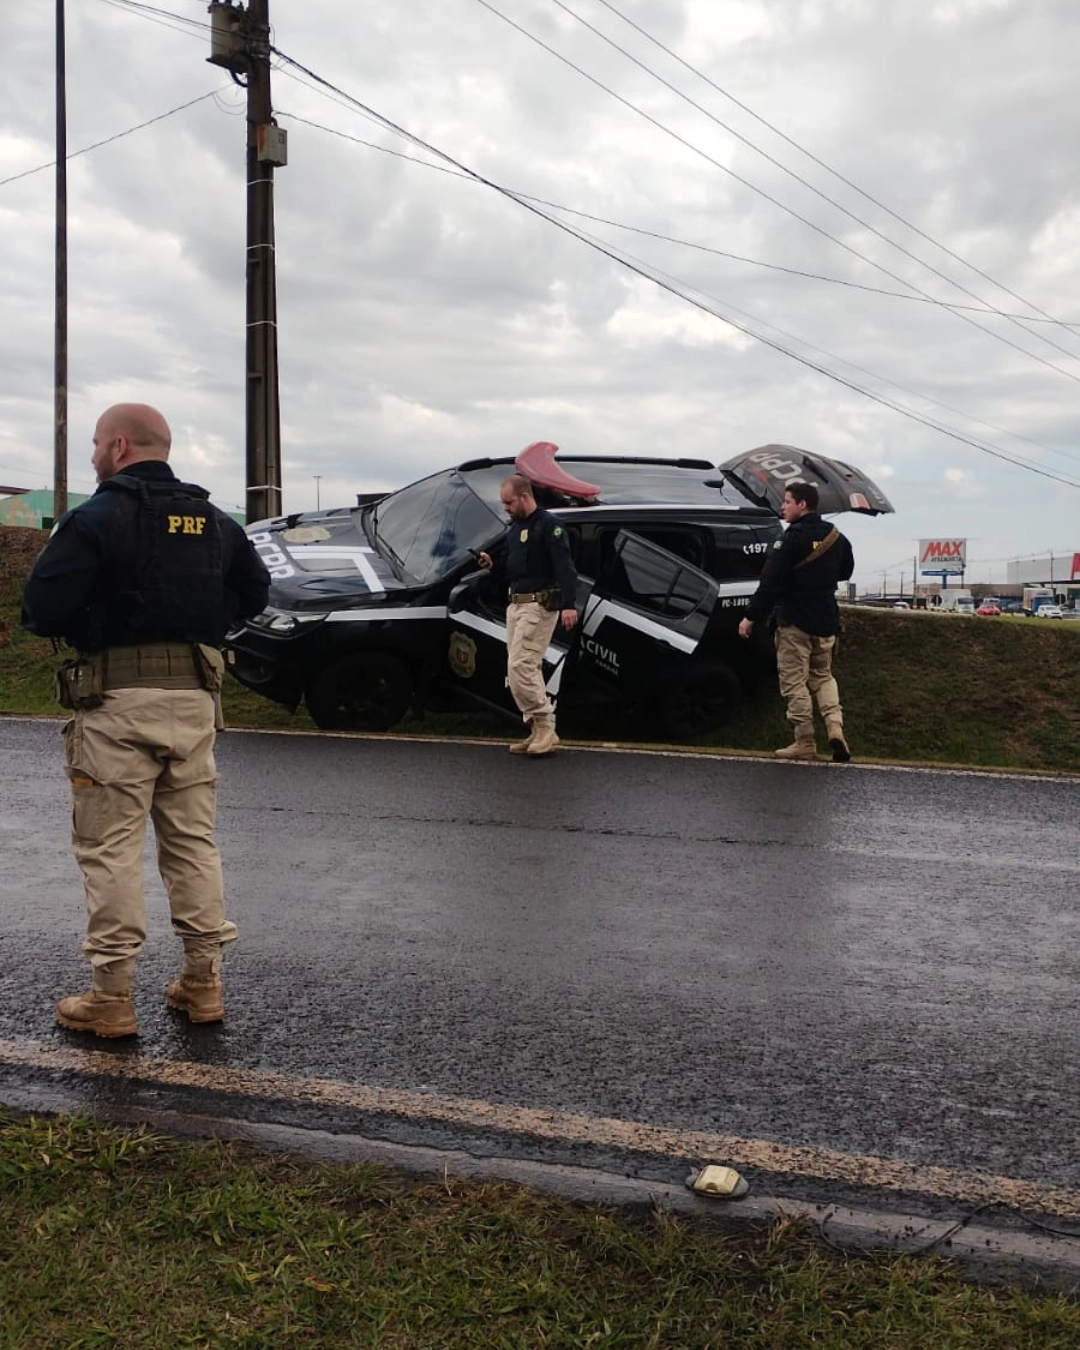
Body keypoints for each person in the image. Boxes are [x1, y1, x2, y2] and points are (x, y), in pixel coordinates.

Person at [21, 403, 270, 1037]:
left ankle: (111, 997)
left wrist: (95, 621)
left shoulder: (96, 517)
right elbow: (257, 592)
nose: (95, 455)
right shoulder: (215, 521)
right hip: (195, 699)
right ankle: (202, 983)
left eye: (99, 444)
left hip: (115, 703)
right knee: (192, 843)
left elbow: (42, 607)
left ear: (122, 446)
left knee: (110, 849)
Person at [737, 480, 854, 762]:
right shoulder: (837, 536)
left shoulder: (789, 538)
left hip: (795, 621)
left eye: (787, 501)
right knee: (823, 676)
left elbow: (770, 583)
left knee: (794, 681)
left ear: (803, 505)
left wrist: (751, 616)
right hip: (827, 620)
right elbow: (846, 571)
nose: (782, 507)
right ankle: (835, 727)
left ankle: (804, 741)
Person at [477, 474, 578, 756]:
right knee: (518, 668)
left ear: (524, 496)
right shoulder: (514, 530)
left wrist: (569, 604)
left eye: (508, 502)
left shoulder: (550, 526)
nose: (506, 508)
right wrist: (491, 566)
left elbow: (565, 567)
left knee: (522, 664)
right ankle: (536, 729)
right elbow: (512, 572)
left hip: (539, 605)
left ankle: (546, 727)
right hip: (516, 604)